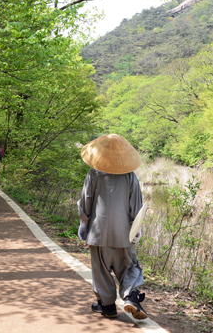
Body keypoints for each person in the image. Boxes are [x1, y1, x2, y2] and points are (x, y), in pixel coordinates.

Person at [77, 133, 147, 320]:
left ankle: (107, 306)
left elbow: (86, 200)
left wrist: (83, 222)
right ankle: (131, 296)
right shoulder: (129, 176)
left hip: (98, 231)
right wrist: (137, 228)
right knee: (129, 266)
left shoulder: (94, 174)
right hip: (124, 232)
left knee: (101, 269)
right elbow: (136, 206)